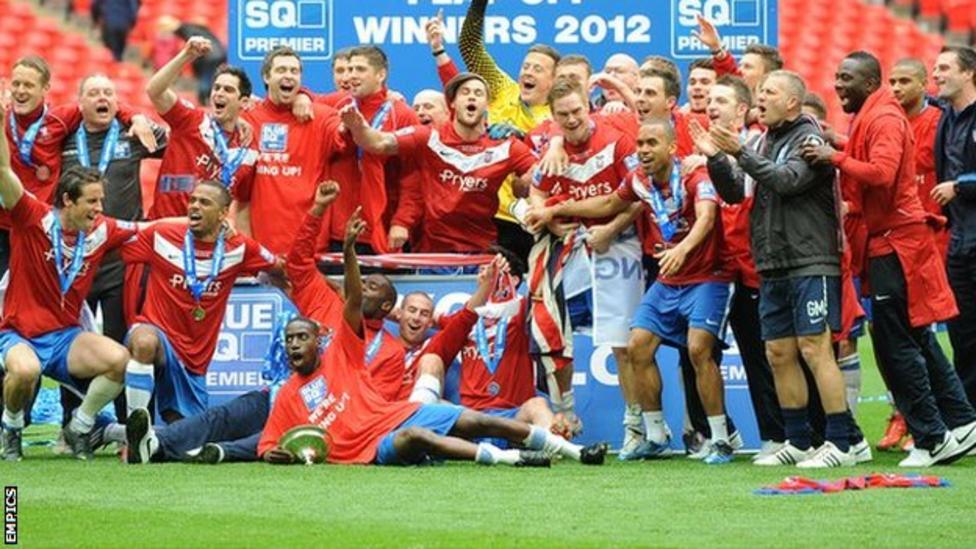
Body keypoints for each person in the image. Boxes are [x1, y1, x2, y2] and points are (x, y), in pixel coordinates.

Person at [257, 211, 608, 467]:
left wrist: (349, 249)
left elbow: (461, 320)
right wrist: (271, 452)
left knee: (468, 411)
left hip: (427, 414)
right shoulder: (307, 380)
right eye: (411, 311)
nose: (294, 345)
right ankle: (514, 459)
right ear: (398, 312)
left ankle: (573, 453)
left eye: (424, 313)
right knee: (427, 421)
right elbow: (268, 442)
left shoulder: (358, 350)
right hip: (381, 438)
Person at [802, 51, 976, 467]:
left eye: (845, 78)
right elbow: (879, 158)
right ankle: (963, 421)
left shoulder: (882, 117)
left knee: (895, 343)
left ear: (868, 82)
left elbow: (880, 172)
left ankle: (933, 438)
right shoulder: (877, 114)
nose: (837, 85)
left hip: (895, 244)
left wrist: (835, 158)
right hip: (894, 241)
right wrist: (840, 142)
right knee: (916, 336)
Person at [527, 119, 735, 465]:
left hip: (707, 276)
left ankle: (720, 439)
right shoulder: (638, 179)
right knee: (637, 345)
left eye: (651, 143)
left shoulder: (694, 177)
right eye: (639, 143)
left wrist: (682, 250)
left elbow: (706, 218)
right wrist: (556, 208)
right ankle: (654, 435)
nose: (642, 150)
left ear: (671, 148)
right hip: (669, 281)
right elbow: (609, 203)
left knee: (699, 350)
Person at [701, 70, 854, 468]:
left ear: (792, 102)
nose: (760, 98)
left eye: (769, 92)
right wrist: (717, 157)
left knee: (815, 349)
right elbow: (735, 191)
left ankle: (840, 443)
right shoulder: (763, 139)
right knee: (779, 353)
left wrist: (740, 153)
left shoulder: (810, 137)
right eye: (760, 91)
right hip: (772, 262)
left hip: (810, 259)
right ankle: (799, 441)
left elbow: (787, 181)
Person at [0, 119, 140, 461]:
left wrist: (193, 223)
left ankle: (80, 425)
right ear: (68, 200)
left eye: (100, 200)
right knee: (24, 371)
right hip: (20, 333)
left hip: (66, 337)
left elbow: (150, 230)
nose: (99, 209)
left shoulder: (101, 231)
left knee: (120, 361)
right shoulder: (32, 217)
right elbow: (3, 170)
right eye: (92, 201)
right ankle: (11, 427)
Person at [527, 79, 643, 440]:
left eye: (578, 111)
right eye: (564, 115)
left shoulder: (617, 140)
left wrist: (609, 228)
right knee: (551, 336)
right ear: (553, 117)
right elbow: (535, 190)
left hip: (617, 245)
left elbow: (638, 196)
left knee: (622, 343)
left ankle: (637, 425)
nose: (573, 119)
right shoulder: (552, 147)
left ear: (588, 108)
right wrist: (541, 215)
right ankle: (564, 417)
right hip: (573, 250)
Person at [57, 74, 168, 431]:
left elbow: (183, 139)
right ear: (80, 102)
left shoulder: (132, 135)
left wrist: (136, 116)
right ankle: (69, 424)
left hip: (121, 259)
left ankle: (126, 427)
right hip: (75, 259)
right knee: (72, 343)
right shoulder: (61, 140)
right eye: (93, 93)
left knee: (123, 339)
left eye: (108, 92)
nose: (102, 98)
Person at [120, 181, 279, 425]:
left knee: (186, 436)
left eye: (204, 203)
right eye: (192, 200)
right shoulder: (161, 234)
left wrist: (328, 286)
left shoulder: (240, 248)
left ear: (223, 213)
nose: (194, 206)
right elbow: (112, 246)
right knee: (144, 342)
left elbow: (281, 268)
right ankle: (133, 431)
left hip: (194, 357)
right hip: (158, 334)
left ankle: (109, 431)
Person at [339, 72, 536, 253]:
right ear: (452, 103)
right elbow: (379, 143)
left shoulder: (506, 146)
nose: (472, 97)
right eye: (465, 93)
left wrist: (524, 183)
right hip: (434, 252)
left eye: (478, 93)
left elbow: (539, 173)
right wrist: (359, 127)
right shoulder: (429, 137)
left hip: (482, 252)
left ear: (486, 105)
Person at [436, 0, 561, 262]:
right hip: (491, 216)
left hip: (532, 218)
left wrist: (521, 138)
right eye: (526, 66)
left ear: (554, 81)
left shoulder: (559, 117)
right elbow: (470, 45)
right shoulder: (503, 87)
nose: (527, 71)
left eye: (537, 69)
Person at [877, 57, 946, 450]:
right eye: (892, 81)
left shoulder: (938, 124)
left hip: (930, 241)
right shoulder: (887, 122)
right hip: (892, 242)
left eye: (905, 81)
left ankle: (933, 419)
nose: (897, 87)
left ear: (924, 84)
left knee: (922, 333)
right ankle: (903, 415)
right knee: (891, 335)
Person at [234, 46, 346, 255]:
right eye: (282, 70)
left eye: (294, 71)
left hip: (312, 248)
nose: (289, 76)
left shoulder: (322, 117)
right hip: (264, 250)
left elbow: (345, 125)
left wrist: (351, 124)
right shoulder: (247, 119)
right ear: (267, 77)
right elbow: (241, 194)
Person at [145, 37, 258, 220]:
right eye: (217, 88)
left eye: (228, 90)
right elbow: (154, 91)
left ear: (243, 102)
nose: (219, 93)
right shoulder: (191, 120)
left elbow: (243, 202)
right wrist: (186, 55)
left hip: (210, 238)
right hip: (167, 229)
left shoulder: (248, 151)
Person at [932, 46, 976, 410]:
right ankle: (970, 418)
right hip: (959, 241)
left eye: (945, 68)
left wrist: (960, 185)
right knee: (963, 335)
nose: (937, 74)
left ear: (969, 73)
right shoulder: (947, 117)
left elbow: (957, 179)